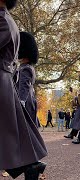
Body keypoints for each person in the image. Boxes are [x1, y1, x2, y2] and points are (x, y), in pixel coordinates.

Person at [0, 1, 47, 179]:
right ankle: (30, 167)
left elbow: (25, 86)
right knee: (9, 134)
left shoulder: (3, 21)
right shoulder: (6, 20)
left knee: (10, 134)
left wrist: (21, 100)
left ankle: (30, 166)